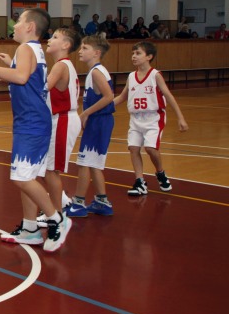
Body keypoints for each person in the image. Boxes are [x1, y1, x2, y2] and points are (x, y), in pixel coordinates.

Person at [0, 8, 71, 252]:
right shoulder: (33, 50)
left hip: (32, 122)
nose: (14, 25)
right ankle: (30, 228)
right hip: (31, 120)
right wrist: (10, 70)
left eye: (18, 21)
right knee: (28, 177)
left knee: (21, 177)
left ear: (29, 27)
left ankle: (57, 219)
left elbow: (22, 77)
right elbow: (28, 78)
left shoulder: (26, 48)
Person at [113, 41, 188, 196]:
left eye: (138, 53)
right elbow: (122, 97)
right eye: (133, 53)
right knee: (133, 148)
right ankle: (140, 182)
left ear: (149, 56)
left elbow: (168, 96)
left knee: (150, 149)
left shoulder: (155, 75)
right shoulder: (131, 76)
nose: (134, 56)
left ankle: (160, 172)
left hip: (154, 118)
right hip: (135, 118)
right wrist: (102, 107)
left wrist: (181, 118)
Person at [36, 28, 82, 229]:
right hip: (59, 118)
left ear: (66, 45)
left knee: (51, 171)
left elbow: (41, 89)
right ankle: (59, 202)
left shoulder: (61, 66)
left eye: (55, 37)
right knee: (47, 169)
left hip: (63, 119)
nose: (49, 39)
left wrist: (16, 76)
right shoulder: (62, 65)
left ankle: (56, 215)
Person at [66, 35, 116, 218]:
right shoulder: (96, 71)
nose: (80, 51)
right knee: (93, 164)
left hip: (99, 121)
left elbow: (109, 97)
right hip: (100, 121)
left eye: (84, 48)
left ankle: (78, 203)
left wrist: (85, 113)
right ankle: (102, 201)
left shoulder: (96, 72)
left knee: (84, 163)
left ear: (96, 53)